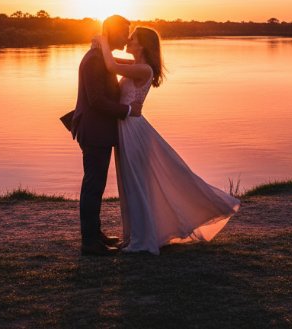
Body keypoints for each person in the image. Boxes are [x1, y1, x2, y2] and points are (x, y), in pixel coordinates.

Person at [94, 26, 240, 255]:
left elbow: (111, 65)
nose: (127, 41)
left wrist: (102, 39)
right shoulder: (136, 66)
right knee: (130, 185)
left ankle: (142, 241)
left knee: (137, 185)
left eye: (132, 39)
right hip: (127, 128)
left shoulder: (143, 69)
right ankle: (134, 236)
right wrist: (102, 49)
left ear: (142, 45)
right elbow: (111, 60)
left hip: (133, 130)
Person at [69, 15, 143, 256]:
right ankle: (89, 243)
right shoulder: (93, 60)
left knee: (96, 185)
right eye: (124, 32)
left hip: (100, 131)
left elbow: (120, 65)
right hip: (94, 131)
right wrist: (129, 110)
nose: (127, 37)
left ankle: (95, 234)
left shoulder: (101, 56)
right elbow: (97, 100)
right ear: (111, 33)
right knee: (93, 186)